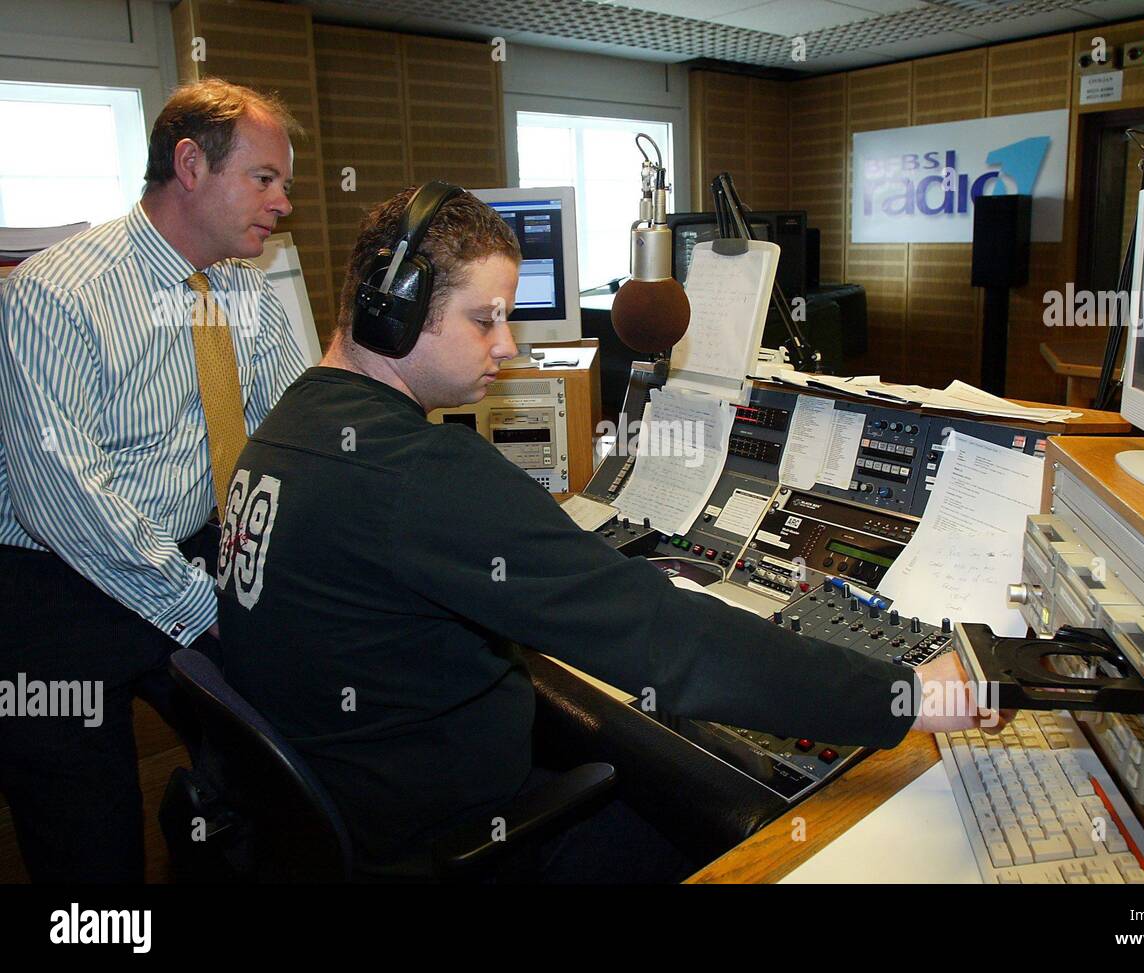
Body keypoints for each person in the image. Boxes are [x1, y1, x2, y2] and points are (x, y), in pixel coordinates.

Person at [215, 183, 999, 882]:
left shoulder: (287, 426)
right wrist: (902, 693)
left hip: (350, 814)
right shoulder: (419, 472)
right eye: (484, 318)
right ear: (397, 311)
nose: (506, 346)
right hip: (462, 841)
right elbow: (668, 638)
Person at [0, 78, 307, 883]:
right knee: (86, 844)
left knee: (269, 777)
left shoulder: (247, 290)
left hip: (193, 550)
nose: (282, 205)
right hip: (53, 584)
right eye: (265, 179)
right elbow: (58, 490)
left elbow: (296, 433)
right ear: (189, 164)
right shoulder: (56, 292)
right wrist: (205, 609)